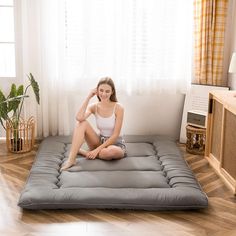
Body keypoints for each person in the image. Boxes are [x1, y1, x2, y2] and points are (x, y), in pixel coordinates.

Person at [60, 77, 126, 171]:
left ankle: (85, 152)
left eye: (107, 91)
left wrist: (96, 150)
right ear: (97, 91)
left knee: (110, 152)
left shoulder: (119, 107)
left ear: (112, 92)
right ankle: (71, 159)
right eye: (101, 90)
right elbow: (79, 118)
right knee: (81, 123)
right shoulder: (94, 106)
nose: (103, 94)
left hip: (115, 144)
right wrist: (88, 97)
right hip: (99, 141)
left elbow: (115, 135)